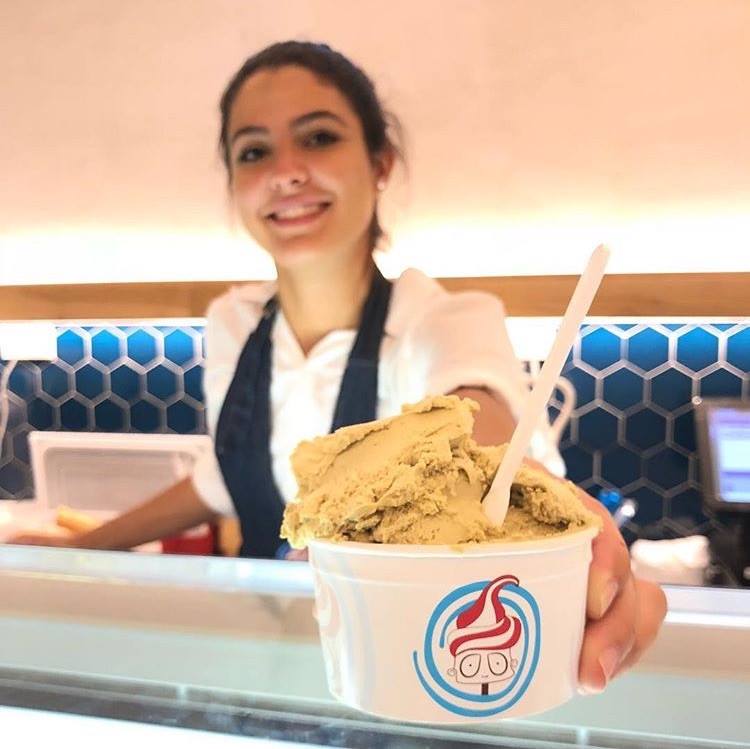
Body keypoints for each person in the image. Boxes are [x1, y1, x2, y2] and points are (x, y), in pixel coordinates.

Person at [10, 41, 665, 693]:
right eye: (254, 151)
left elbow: (480, 424)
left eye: (318, 138)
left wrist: (535, 493)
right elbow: (227, 473)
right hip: (264, 662)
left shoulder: (444, 317)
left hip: (404, 667)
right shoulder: (232, 323)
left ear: (380, 164)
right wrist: (89, 546)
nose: (286, 171)